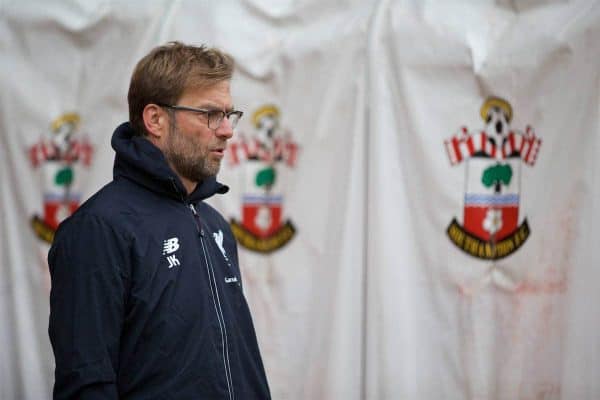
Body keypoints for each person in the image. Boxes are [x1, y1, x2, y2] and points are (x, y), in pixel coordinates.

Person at [48, 42, 271, 400]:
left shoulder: (215, 226)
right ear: (155, 120)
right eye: (210, 114)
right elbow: (86, 382)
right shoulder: (100, 229)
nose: (228, 130)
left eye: (230, 114)